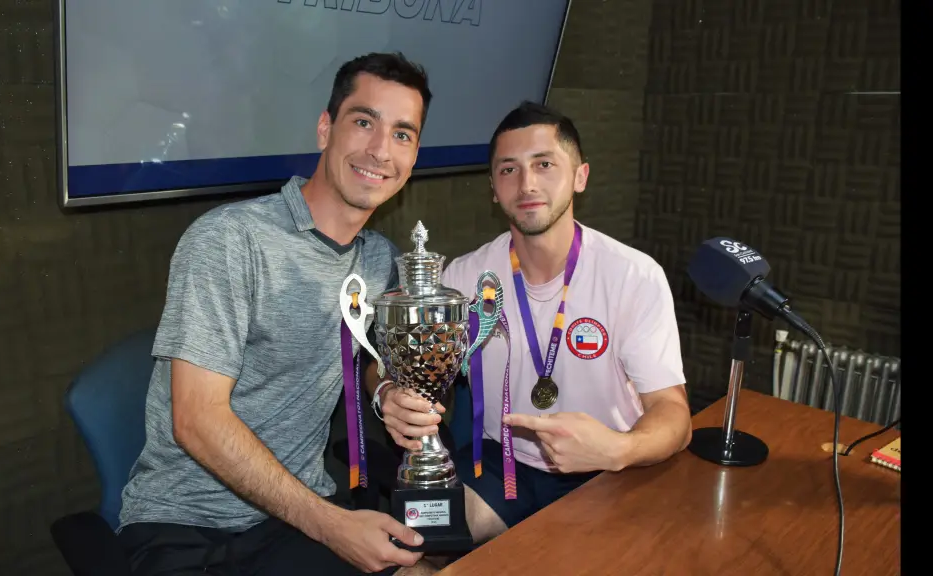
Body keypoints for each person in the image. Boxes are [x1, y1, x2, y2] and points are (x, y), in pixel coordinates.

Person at [117, 52, 440, 576]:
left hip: (296, 517)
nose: (381, 150)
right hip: (188, 527)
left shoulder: (380, 260)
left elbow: (368, 357)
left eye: (403, 134)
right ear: (324, 129)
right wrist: (332, 525)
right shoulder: (229, 240)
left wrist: (385, 391)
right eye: (364, 122)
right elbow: (196, 420)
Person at [370, 101, 693, 545]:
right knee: (416, 552)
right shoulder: (462, 279)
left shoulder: (633, 276)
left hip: (605, 468)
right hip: (502, 462)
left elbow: (673, 415)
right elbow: (401, 368)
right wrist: (390, 393)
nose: (527, 184)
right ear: (492, 187)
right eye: (508, 169)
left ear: (580, 176)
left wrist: (618, 449)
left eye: (545, 164)